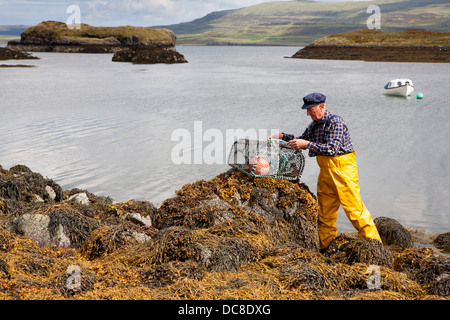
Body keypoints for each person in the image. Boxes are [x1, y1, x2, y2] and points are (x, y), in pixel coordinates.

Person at [268, 92, 381, 251]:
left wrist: (307, 144)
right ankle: (326, 248)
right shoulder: (314, 124)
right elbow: (301, 140)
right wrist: (280, 136)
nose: (308, 113)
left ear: (322, 106)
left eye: (310, 109)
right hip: (326, 172)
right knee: (325, 214)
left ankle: (375, 246)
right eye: (306, 110)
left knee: (355, 211)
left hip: (343, 171)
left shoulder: (336, 122)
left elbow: (331, 149)